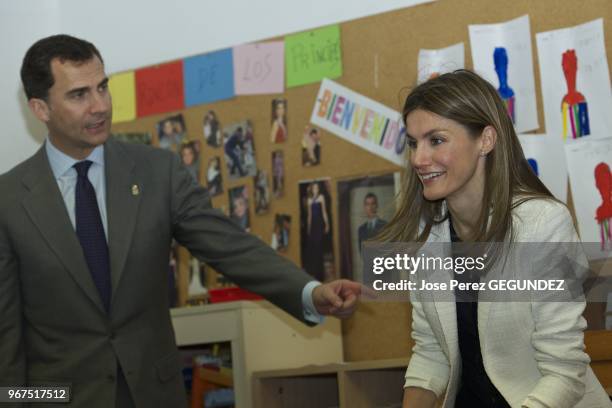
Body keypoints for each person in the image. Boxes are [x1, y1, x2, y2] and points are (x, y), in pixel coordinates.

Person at [0, 34, 366, 408]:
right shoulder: (8, 202)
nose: (100, 106)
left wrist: (308, 292)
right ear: (40, 108)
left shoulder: (158, 173)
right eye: (79, 95)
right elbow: (6, 336)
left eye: (103, 87)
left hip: (154, 394)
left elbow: (229, 246)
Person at [375, 70, 611, 407]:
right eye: (413, 143)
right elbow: (431, 354)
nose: (418, 159)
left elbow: (564, 374)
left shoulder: (544, 224)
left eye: (436, 140)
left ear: (486, 140)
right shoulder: (427, 238)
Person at [305, 182, 330, 282]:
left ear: (318, 189)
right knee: (313, 249)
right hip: (313, 226)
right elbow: (309, 216)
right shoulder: (309, 200)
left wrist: (327, 224)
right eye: (314, 188)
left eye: (317, 187)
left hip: (319, 224)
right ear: (312, 189)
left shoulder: (321, 198)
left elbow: (324, 212)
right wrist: (308, 228)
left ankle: (321, 275)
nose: (316, 189)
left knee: (319, 247)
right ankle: (314, 273)